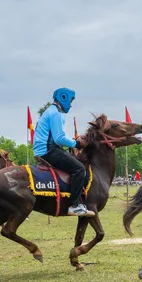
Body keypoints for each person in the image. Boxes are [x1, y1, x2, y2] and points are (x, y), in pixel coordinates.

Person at [32, 88, 93, 216]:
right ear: (63, 98)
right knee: (79, 169)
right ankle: (74, 205)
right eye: (71, 100)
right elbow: (59, 138)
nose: (71, 104)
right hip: (48, 150)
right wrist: (77, 143)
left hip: (44, 149)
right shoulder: (56, 114)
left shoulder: (51, 111)